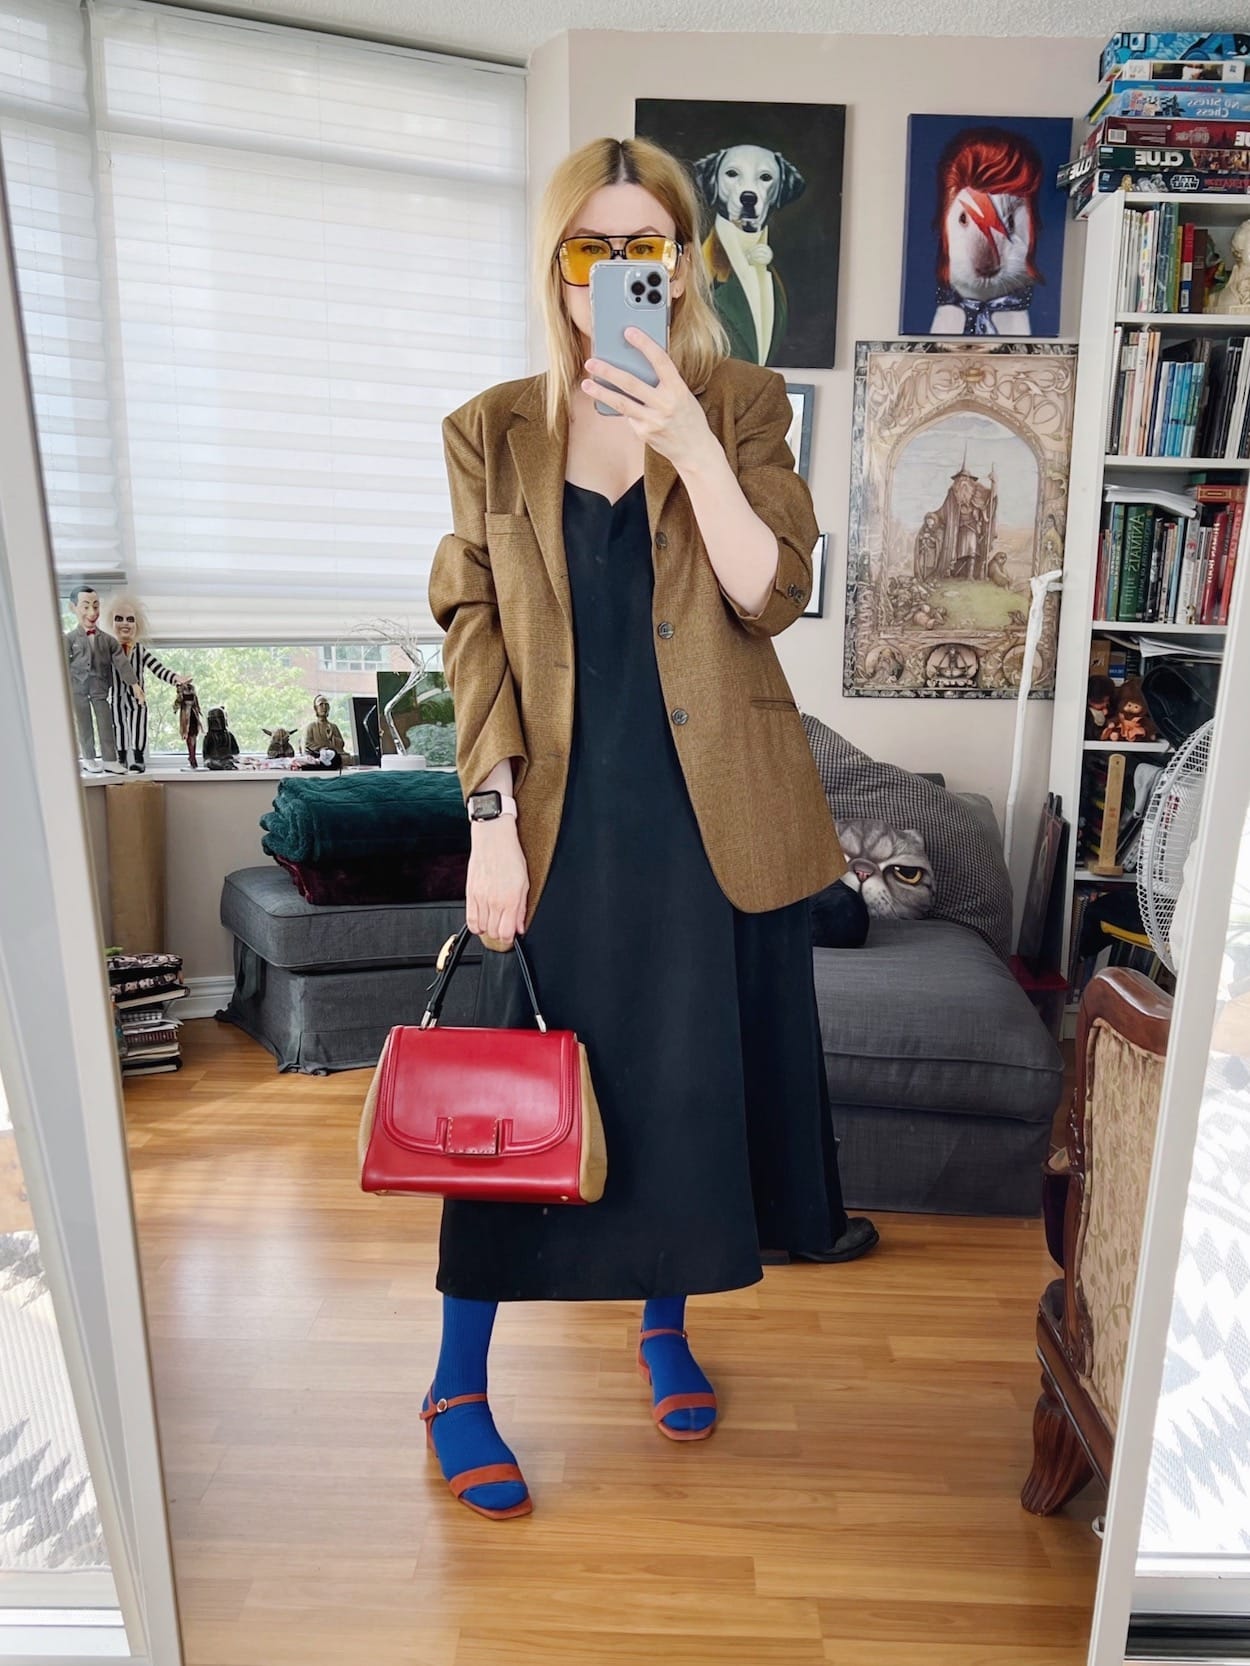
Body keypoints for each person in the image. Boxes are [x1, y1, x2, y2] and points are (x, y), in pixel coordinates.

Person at [424, 134, 878, 1524]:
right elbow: (473, 632)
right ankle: (455, 1378)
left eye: (646, 248)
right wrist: (487, 826)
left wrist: (686, 438)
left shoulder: (739, 404)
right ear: (556, 271)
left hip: (710, 817)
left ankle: (665, 1323)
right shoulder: (490, 429)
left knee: (685, 1085)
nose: (619, 273)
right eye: (591, 251)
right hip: (556, 819)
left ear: (681, 261)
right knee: (512, 1107)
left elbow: (770, 595)